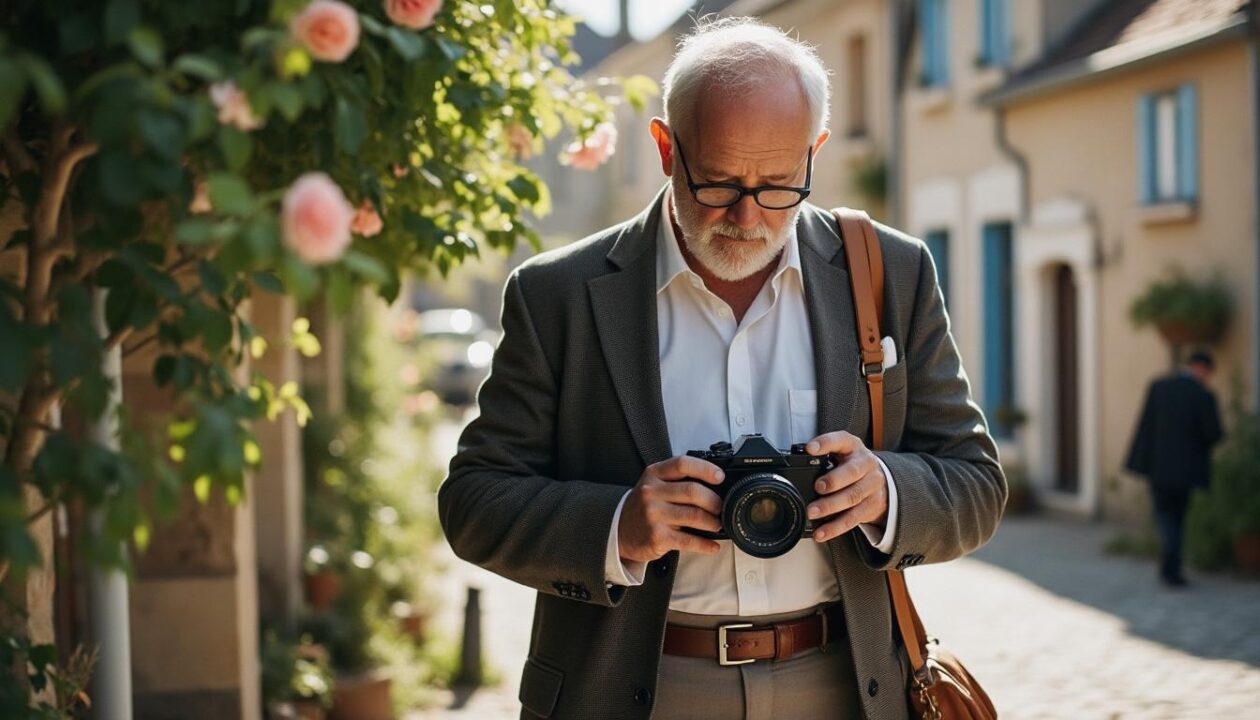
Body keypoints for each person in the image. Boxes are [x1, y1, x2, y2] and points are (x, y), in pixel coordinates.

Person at [439, 17, 1006, 719]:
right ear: (665, 148)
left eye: (777, 185)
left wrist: (886, 491)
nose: (747, 216)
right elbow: (473, 502)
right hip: (633, 687)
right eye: (717, 183)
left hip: (841, 683)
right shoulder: (556, 294)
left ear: (814, 152)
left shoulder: (892, 272)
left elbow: (976, 484)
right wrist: (619, 524)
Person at [1125, 349, 1224, 588]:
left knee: (1165, 516)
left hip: (1158, 468)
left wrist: (1139, 462)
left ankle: (1169, 564)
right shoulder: (1203, 396)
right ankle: (1172, 566)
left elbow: (1145, 427)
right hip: (1186, 471)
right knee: (1177, 518)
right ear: (1201, 367)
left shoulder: (1159, 387)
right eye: (1208, 372)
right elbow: (1214, 434)